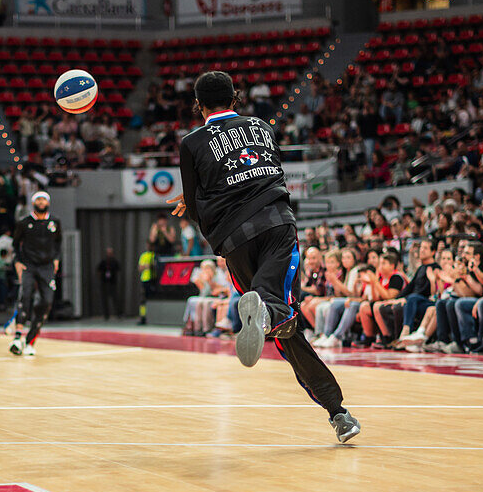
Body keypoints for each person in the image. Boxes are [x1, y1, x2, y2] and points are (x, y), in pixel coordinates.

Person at [170, 70, 359, 443]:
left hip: (234, 240)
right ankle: (337, 411)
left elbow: (193, 205)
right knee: (284, 321)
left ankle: (338, 411)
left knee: (282, 326)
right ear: (235, 98)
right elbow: (263, 171)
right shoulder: (262, 126)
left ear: (198, 105)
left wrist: (199, 204)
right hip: (276, 225)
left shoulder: (190, 143)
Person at [9, 191, 62, 357]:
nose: (41, 202)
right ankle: (17, 338)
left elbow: (58, 243)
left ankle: (30, 340)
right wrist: (18, 261)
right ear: (33, 202)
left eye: (43, 199)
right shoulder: (24, 223)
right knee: (25, 296)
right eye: (38, 199)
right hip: (29, 265)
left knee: (47, 301)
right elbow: (15, 243)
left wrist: (56, 259)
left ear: (48, 202)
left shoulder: (55, 222)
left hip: (46, 266)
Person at [97, 247, 120, 319]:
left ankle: (118, 314)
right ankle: (106, 315)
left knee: (115, 299)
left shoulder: (115, 261)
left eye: (111, 253)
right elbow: (99, 270)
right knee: (104, 299)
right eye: (108, 253)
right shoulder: (103, 262)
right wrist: (101, 278)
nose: (109, 254)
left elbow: (118, 269)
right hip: (104, 282)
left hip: (113, 283)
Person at [137, 241, 157, 325]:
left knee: (153, 299)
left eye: (151, 246)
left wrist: (149, 266)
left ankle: (152, 317)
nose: (149, 247)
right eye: (148, 245)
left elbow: (155, 266)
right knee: (143, 300)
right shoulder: (144, 255)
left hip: (154, 280)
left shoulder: (155, 255)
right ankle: (143, 317)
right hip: (145, 280)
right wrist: (146, 266)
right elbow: (140, 268)